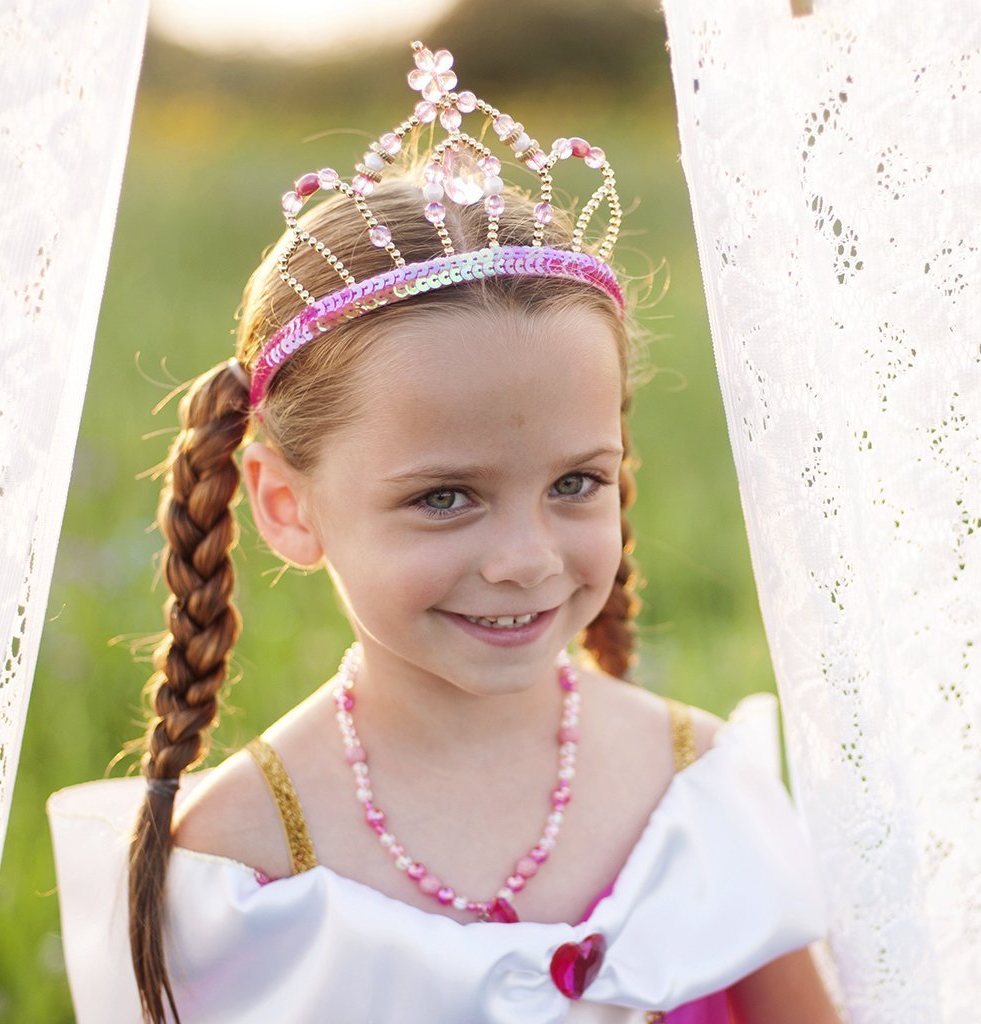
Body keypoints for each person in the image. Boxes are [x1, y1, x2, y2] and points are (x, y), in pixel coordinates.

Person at [49, 41, 841, 1024]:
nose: (526, 559)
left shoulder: (695, 787)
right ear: (286, 503)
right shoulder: (245, 860)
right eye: (444, 497)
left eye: (575, 482)